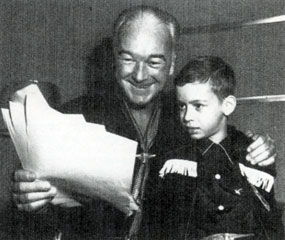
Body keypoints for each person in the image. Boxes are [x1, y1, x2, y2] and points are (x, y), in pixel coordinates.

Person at [11, 6, 276, 240]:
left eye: (154, 62)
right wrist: (32, 200)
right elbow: (38, 219)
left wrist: (261, 147)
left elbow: (231, 149)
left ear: (171, 64)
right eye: (128, 58)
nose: (139, 75)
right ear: (114, 58)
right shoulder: (71, 117)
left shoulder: (189, 121)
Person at [160, 56, 283, 239]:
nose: (187, 117)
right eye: (182, 107)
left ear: (228, 105)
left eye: (198, 106)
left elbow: (269, 222)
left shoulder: (251, 154)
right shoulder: (174, 159)